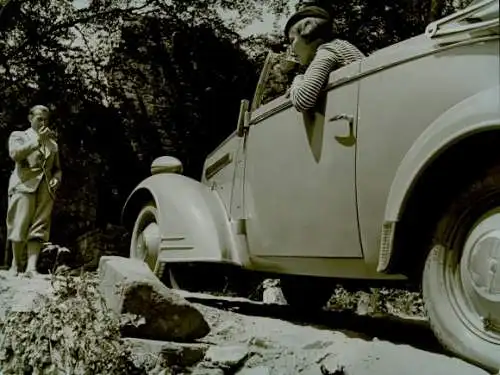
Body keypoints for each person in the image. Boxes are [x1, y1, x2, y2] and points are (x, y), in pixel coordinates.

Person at [6, 105, 62, 277]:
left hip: (45, 189)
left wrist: (57, 179)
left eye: (46, 119)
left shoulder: (53, 143)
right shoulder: (19, 136)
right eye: (39, 118)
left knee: (40, 227)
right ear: (30, 118)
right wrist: (37, 141)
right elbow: (15, 154)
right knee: (19, 224)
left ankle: (31, 268)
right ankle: (15, 265)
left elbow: (57, 168)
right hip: (24, 185)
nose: (43, 122)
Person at [284, 5, 365, 112]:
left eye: (292, 40)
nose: (291, 48)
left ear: (307, 31)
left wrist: (298, 79)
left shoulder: (327, 50)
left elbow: (302, 100)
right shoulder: (341, 45)